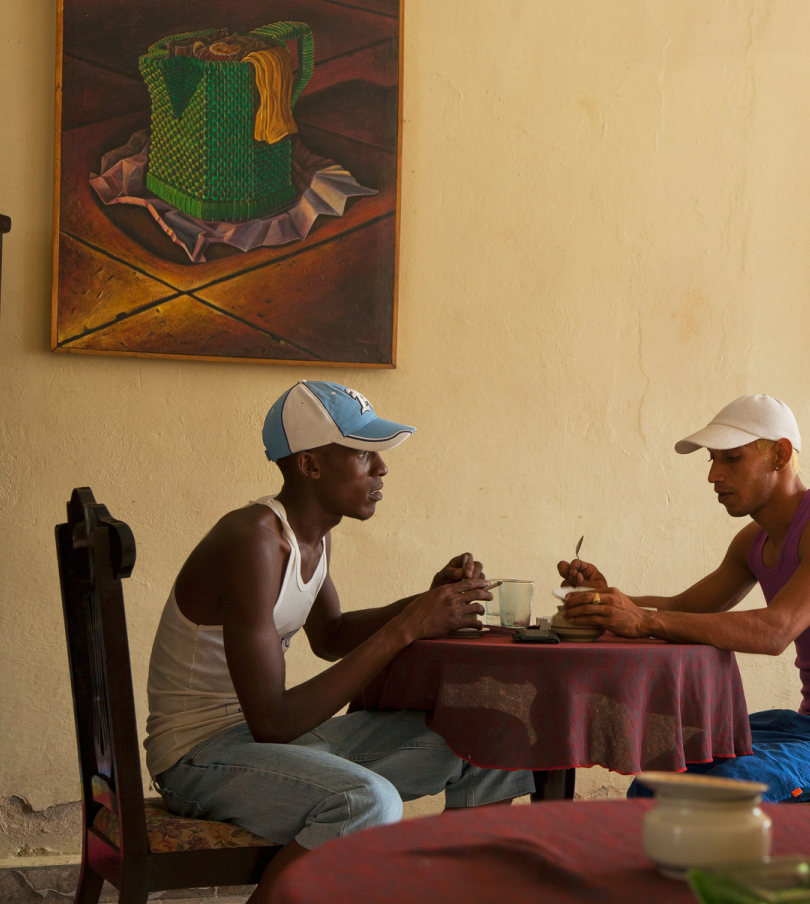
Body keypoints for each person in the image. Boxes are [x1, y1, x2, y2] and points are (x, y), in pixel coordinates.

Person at [144, 380, 532, 903]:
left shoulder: (311, 535)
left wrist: (426, 600)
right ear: (310, 465)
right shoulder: (252, 541)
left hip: (264, 749)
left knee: (492, 735)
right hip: (198, 758)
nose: (382, 469)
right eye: (363, 454)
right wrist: (409, 625)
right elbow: (273, 722)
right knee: (366, 802)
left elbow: (330, 636)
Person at [557, 394, 810, 803]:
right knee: (658, 775)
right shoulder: (755, 540)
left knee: (723, 792)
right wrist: (606, 600)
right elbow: (685, 608)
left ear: (780, 455)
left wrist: (642, 621)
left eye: (731, 459)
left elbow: (774, 631)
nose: (713, 475)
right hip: (807, 727)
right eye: (711, 460)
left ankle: (728, 868)